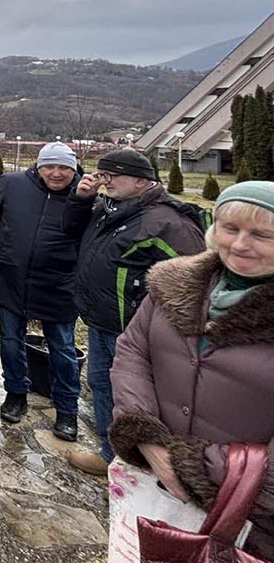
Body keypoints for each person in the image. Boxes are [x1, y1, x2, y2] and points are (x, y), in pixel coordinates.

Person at [108, 182, 274, 559]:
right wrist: (146, 438)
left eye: (262, 235)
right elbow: (133, 352)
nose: (241, 245)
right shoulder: (173, 282)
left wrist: (191, 468)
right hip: (149, 481)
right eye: (231, 229)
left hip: (247, 512)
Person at [64, 148, 206, 476]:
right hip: (102, 322)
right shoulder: (108, 209)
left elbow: (193, 280)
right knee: (102, 385)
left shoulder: (168, 223)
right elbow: (70, 231)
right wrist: (81, 199)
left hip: (136, 334)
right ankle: (109, 453)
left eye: (114, 175)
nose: (105, 180)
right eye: (103, 174)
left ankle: (139, 467)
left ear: (142, 181)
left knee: (139, 400)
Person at [0, 142, 83, 438]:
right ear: (38, 166)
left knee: (62, 348)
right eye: (50, 166)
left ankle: (67, 409)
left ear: (74, 169)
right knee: (10, 340)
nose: (57, 174)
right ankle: (16, 392)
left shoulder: (83, 196)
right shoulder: (11, 184)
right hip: (12, 276)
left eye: (64, 168)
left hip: (58, 283)